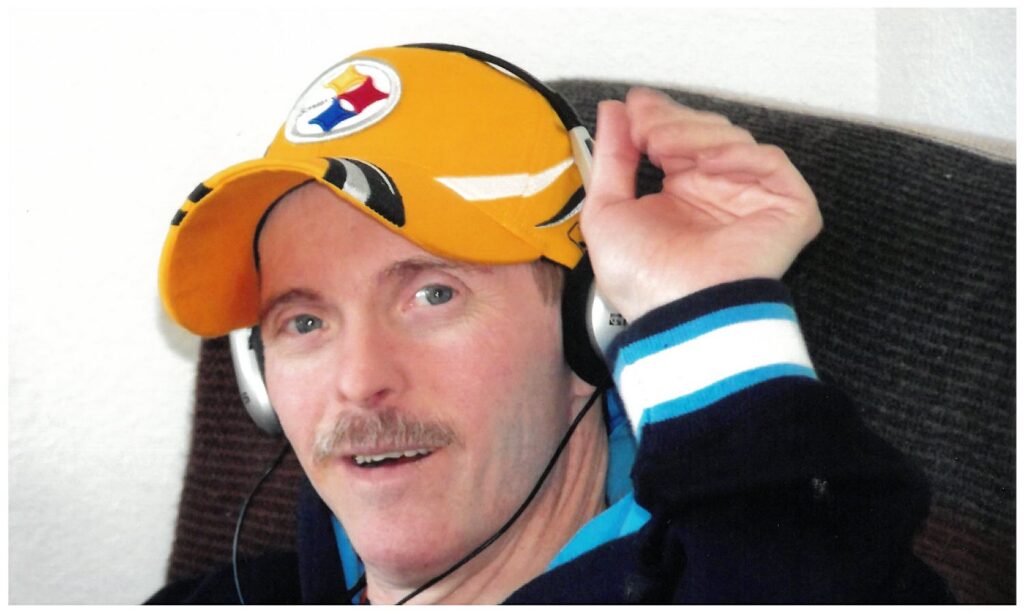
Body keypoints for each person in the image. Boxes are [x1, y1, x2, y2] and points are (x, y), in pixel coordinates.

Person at [149, 44, 950, 604]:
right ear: (257, 378)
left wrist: (707, 309)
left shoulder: (770, 576)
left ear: (592, 331)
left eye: (433, 295)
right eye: (303, 321)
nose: (359, 382)